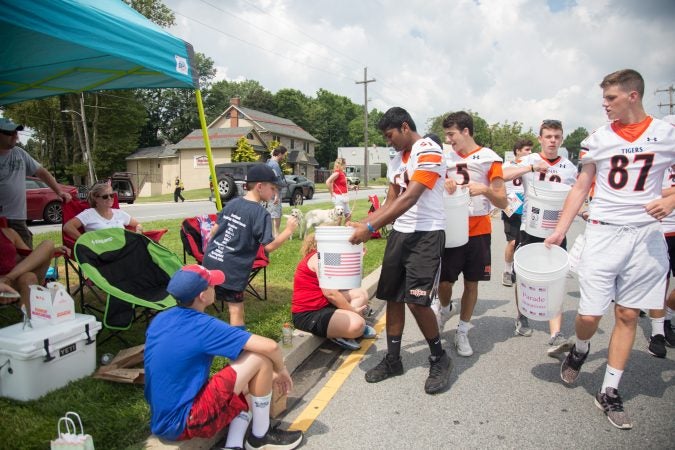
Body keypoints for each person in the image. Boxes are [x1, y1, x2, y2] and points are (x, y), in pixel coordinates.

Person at [544, 69, 675, 430]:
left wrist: (673, 199)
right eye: (603, 98)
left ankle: (610, 390)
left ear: (633, 95)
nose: (605, 105)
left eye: (611, 98)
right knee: (589, 316)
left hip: (646, 236)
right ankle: (582, 348)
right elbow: (580, 187)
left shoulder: (665, 134)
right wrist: (559, 231)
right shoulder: (598, 139)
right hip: (604, 234)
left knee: (628, 315)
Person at [348, 107, 452, 395]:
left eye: (390, 135)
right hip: (401, 234)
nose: (388, 142)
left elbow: (411, 197)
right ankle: (393, 359)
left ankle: (439, 357)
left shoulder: (428, 150)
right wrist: (364, 223)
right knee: (392, 297)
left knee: (417, 301)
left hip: (426, 234)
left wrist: (369, 230)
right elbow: (390, 202)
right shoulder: (396, 160)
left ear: (405, 127)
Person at [144, 264, 303, 449]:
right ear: (202, 296)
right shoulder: (202, 325)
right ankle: (260, 437)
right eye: (212, 285)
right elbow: (271, 347)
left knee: (251, 376)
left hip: (163, 418)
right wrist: (281, 371)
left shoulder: (162, 318)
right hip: (186, 420)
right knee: (260, 359)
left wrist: (266, 376)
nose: (216, 287)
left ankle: (233, 444)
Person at [502, 121, 577, 355]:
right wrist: (530, 169)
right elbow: (502, 175)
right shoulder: (529, 160)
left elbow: (574, 196)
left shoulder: (569, 167)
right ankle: (522, 314)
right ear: (540, 138)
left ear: (562, 139)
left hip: (556, 231)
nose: (553, 140)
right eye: (548, 136)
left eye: (557, 136)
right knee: (523, 274)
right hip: (529, 227)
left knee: (555, 278)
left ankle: (556, 334)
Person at [438, 111, 508, 357]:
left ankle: (463, 330)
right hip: (452, 227)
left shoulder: (489, 158)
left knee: (471, 282)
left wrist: (486, 190)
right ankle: (445, 308)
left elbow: (502, 200)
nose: (448, 140)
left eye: (451, 134)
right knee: (444, 282)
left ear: (465, 131)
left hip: (478, 229)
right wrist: (444, 186)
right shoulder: (445, 158)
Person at [203, 164, 298, 329]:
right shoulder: (261, 214)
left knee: (203, 301)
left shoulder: (232, 203)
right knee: (236, 309)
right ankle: (238, 346)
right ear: (260, 187)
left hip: (211, 261)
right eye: (273, 188)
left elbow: (214, 230)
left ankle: (196, 334)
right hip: (232, 271)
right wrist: (288, 230)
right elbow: (268, 247)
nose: (274, 193)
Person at [292, 233, 376, 350]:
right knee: (358, 325)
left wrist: (358, 258)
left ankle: (345, 326)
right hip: (309, 313)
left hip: (324, 304)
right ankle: (341, 334)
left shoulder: (327, 256)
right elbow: (330, 294)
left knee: (360, 293)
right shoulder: (319, 258)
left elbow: (346, 282)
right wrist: (353, 311)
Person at [0, 118, 72, 248]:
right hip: (2, 218)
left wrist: (59, 191)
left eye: (16, 132)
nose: (15, 136)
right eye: (10, 133)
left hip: (17, 218)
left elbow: (42, 172)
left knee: (25, 255)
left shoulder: (19, 153)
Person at [0, 226, 68, 314]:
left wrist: (51, 251)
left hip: (14, 278)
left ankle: (7, 278)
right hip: (7, 285)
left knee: (48, 244)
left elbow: (30, 257)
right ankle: (32, 321)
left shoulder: (9, 233)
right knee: (28, 277)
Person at [500, 139, 533, 286]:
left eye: (531, 150)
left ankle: (519, 269)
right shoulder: (507, 165)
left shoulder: (532, 166)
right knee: (512, 242)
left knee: (525, 242)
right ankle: (507, 271)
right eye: (526, 149)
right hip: (512, 204)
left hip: (528, 206)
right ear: (518, 150)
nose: (530, 152)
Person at [63, 182, 143, 240]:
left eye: (111, 195)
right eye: (105, 196)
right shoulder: (89, 214)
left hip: (123, 249)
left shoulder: (118, 213)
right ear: (96, 198)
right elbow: (67, 227)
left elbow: (138, 224)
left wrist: (138, 233)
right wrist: (85, 241)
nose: (109, 198)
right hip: (102, 254)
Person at [266, 146, 288, 237]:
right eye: (284, 155)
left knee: (270, 213)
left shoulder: (268, 162)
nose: (284, 157)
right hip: (274, 192)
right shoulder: (274, 165)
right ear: (279, 154)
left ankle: (271, 234)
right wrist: (276, 194)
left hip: (269, 191)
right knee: (276, 214)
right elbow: (274, 181)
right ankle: (276, 234)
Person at [325, 157, 352, 224]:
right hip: (339, 198)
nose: (346, 165)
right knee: (339, 218)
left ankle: (345, 231)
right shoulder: (337, 173)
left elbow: (343, 185)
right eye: (345, 164)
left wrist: (352, 187)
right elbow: (328, 182)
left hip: (344, 197)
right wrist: (331, 193)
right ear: (341, 165)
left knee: (348, 215)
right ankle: (337, 232)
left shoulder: (342, 173)